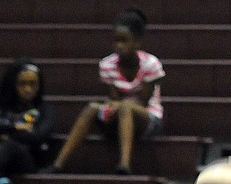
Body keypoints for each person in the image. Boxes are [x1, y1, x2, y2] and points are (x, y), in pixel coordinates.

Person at [46, 7, 164, 175]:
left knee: (125, 108)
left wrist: (119, 105)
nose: (119, 46)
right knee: (92, 108)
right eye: (116, 41)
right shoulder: (107, 64)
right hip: (117, 115)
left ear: (138, 42)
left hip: (148, 119)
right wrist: (110, 108)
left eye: (124, 41)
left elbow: (143, 101)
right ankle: (58, 164)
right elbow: (113, 98)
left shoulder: (151, 64)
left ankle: (124, 165)